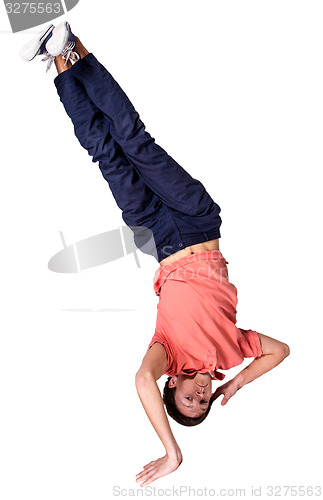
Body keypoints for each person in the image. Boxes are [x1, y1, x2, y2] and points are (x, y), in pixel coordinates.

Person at [20, 22, 290, 487]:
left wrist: (171, 452)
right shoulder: (233, 352)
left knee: (105, 153)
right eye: (204, 403)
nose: (201, 396)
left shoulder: (163, 357)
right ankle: (75, 48)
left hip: (159, 241)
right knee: (134, 140)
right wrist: (236, 382)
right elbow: (282, 351)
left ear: (173, 388)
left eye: (190, 401)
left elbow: (141, 382)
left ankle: (60, 66)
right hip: (198, 223)